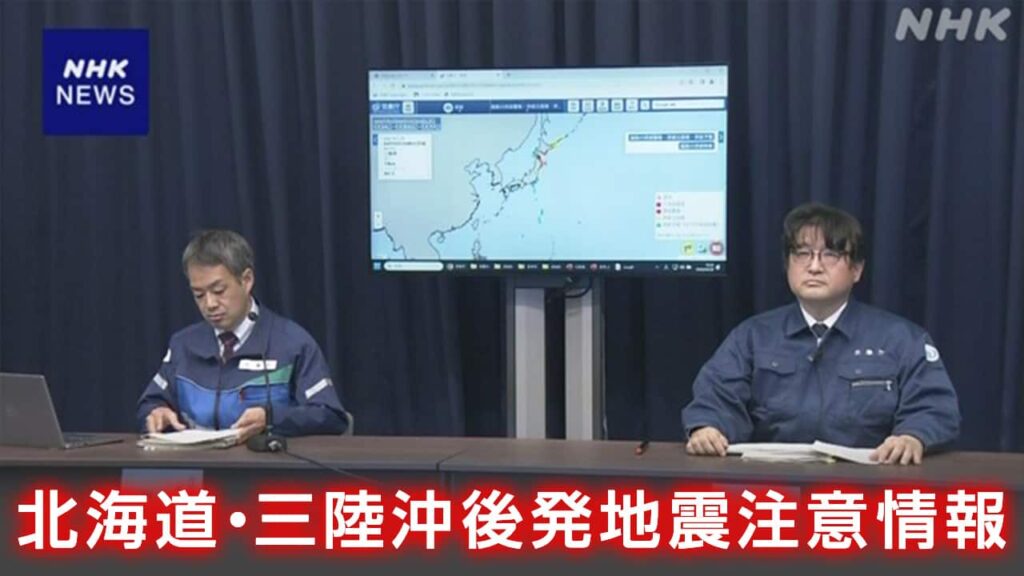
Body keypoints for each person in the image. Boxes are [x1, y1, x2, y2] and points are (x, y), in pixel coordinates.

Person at [681, 203, 960, 465]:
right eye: (802, 254)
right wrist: (708, 427)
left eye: (830, 254)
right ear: (788, 264)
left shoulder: (900, 338)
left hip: (868, 482)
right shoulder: (753, 337)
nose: (814, 267)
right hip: (772, 481)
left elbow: (933, 405)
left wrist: (913, 436)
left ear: (857, 269)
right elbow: (716, 396)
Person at [137, 230, 349, 442]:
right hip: (194, 461)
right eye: (198, 295)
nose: (209, 304)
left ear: (246, 280)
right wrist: (156, 411)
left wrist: (271, 418)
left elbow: (330, 416)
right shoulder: (183, 344)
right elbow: (151, 402)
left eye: (219, 291)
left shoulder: (292, 343)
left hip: (261, 461)